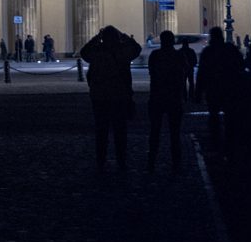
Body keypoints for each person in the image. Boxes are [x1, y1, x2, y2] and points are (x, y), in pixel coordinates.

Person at [80, 24, 141, 170]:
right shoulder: (122, 52)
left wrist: (97, 37)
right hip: (119, 95)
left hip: (99, 96)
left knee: (101, 131)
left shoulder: (97, 52)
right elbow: (137, 49)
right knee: (120, 131)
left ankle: (101, 160)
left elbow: (84, 52)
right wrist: (124, 36)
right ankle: (121, 160)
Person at [195, 26, 244, 155]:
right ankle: (230, 141)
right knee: (230, 115)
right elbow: (241, 66)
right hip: (230, 88)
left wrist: (198, 92)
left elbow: (202, 73)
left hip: (214, 88)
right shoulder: (230, 49)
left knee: (214, 115)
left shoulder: (208, 51)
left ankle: (215, 140)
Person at [147, 30, 187, 171]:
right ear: (173, 41)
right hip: (174, 97)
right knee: (175, 133)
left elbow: (152, 73)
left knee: (155, 132)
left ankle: (151, 161)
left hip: (157, 96)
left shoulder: (155, 55)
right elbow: (183, 75)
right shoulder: (179, 56)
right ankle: (176, 162)